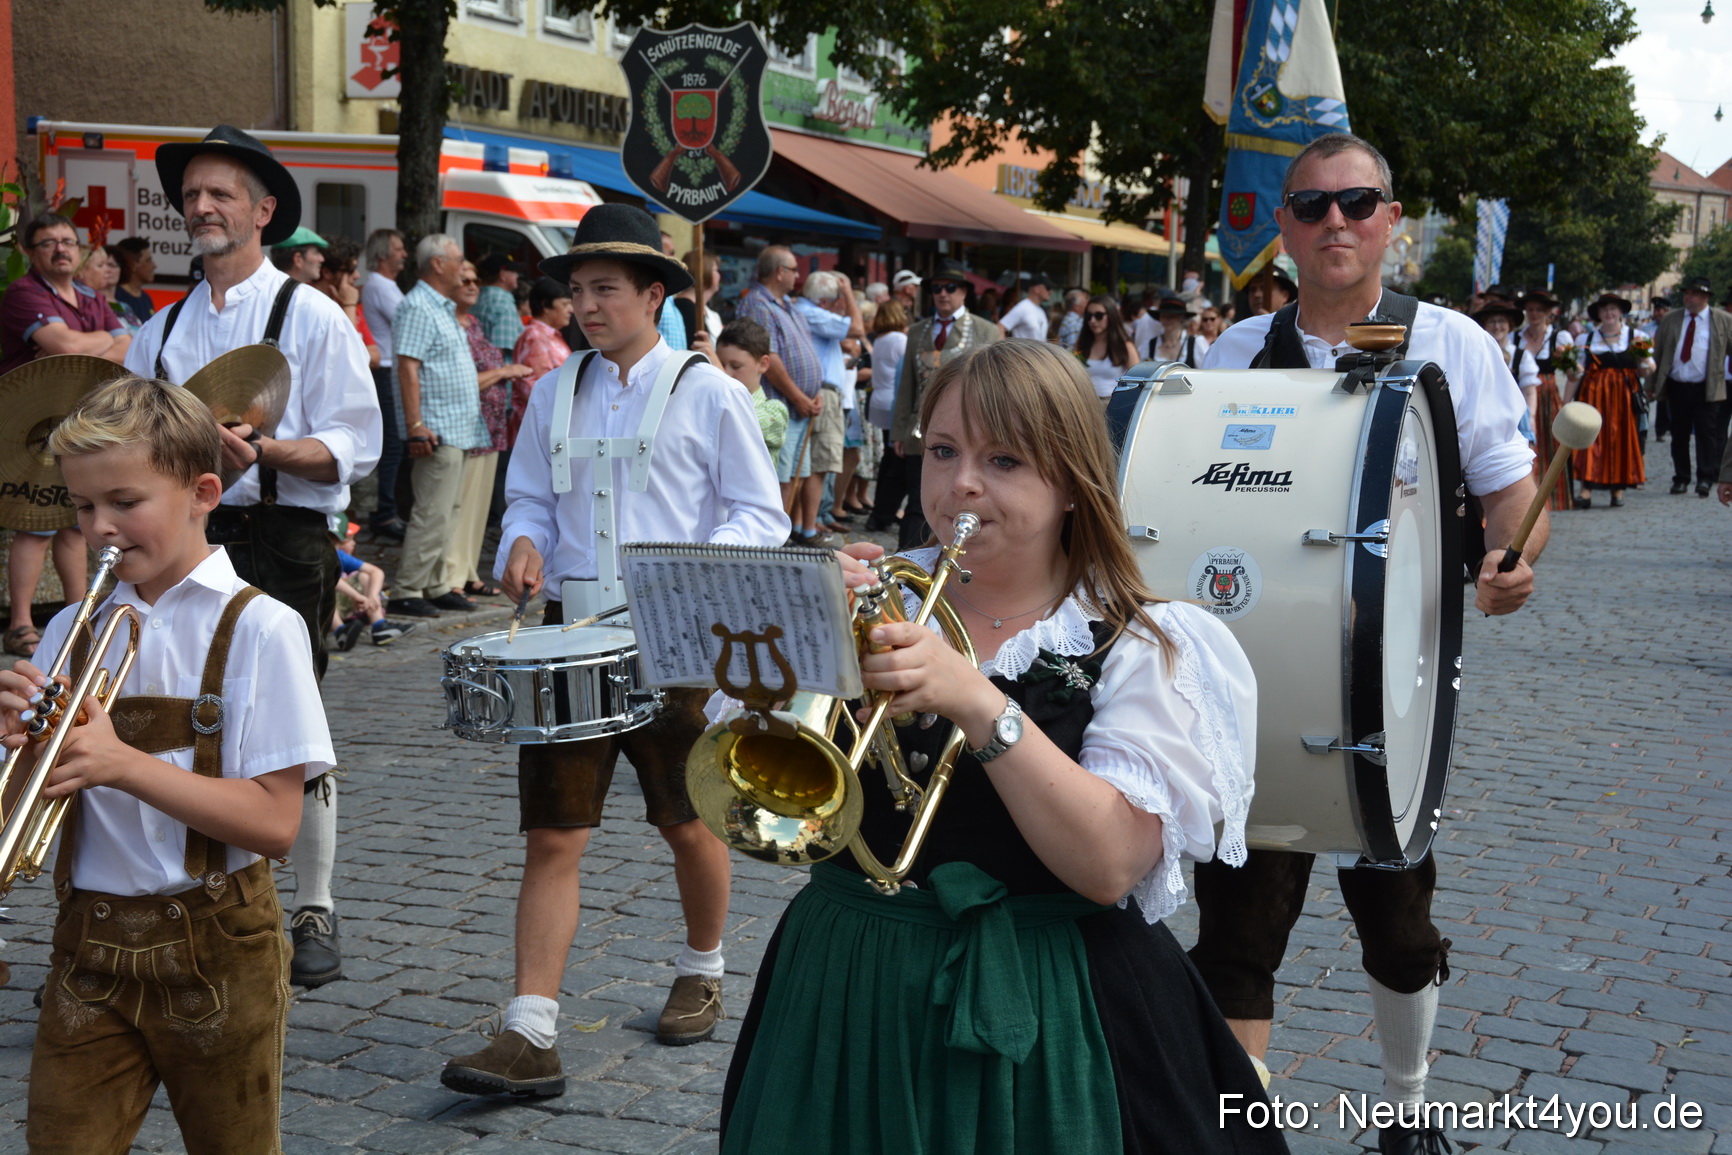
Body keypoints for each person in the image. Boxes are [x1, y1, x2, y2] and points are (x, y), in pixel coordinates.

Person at [720, 338, 1285, 1155]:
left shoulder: (1145, 642)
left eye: (1005, 460)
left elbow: (1109, 863)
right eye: (943, 451)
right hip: (844, 983)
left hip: (1059, 1006)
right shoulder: (877, 594)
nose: (961, 486)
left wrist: (977, 700)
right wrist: (798, 638)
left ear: (1070, 483)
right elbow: (752, 799)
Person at [1200, 132, 1541, 1155]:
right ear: (1282, 232)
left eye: (1356, 203)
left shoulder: (1450, 342)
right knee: (1235, 933)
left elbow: (1511, 492)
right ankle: (1241, 1136)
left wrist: (1511, 563)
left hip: (1389, 683)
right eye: (1310, 207)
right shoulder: (1230, 352)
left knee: (1397, 928)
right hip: (1252, 677)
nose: (1334, 223)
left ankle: (1407, 1107)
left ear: (1392, 218)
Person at [438, 203, 786, 1098]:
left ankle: (702, 966)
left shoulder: (708, 390)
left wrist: (689, 574)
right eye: (578, 290)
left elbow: (762, 516)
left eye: (605, 289)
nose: (586, 305)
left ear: (653, 294)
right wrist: (520, 544)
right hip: (568, 637)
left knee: (685, 817)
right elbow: (529, 502)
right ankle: (530, 1030)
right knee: (554, 833)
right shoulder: (555, 390)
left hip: (674, 640)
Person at [5, 375, 332, 1153]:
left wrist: (121, 763)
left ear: (202, 490)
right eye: (84, 509)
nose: (102, 529)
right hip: (88, 941)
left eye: (125, 501)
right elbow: (30, 800)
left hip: (217, 941)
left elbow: (276, 823)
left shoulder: (262, 628)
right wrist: (20, 743)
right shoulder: (67, 633)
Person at [124, 124, 381, 992]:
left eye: (219, 193)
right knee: (184, 713)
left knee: (289, 719)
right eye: (191, 195)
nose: (199, 207)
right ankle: (199, 890)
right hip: (182, 545)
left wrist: (266, 453)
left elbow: (359, 440)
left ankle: (313, 902)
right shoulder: (157, 332)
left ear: (263, 211)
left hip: (282, 533)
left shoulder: (312, 314)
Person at [0, 211, 132, 660]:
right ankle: (20, 624)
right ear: (30, 252)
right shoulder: (22, 293)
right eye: (48, 242)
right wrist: (93, 341)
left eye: (67, 241)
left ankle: (80, 615)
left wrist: (79, 340)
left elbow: (126, 344)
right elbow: (71, 349)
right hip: (27, 424)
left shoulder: (90, 296)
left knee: (76, 525)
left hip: (77, 420)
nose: (60, 248)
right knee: (34, 525)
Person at [384, 234, 490, 617]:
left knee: (448, 510)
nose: (464, 267)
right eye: (458, 260)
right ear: (437, 264)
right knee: (432, 511)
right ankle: (407, 588)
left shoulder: (440, 307)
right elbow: (407, 367)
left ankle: (434, 584)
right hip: (436, 428)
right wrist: (415, 424)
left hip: (455, 428)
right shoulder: (418, 306)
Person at [890, 258, 1002, 551]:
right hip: (919, 428)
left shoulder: (986, 330)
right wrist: (898, 430)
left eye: (950, 287)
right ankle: (909, 562)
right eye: (937, 288)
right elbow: (907, 385)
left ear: (964, 292)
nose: (943, 294)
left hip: (970, 428)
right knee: (918, 499)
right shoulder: (917, 331)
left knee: (960, 498)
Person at [449, 257, 535, 598]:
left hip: (491, 423)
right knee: (463, 500)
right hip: (471, 420)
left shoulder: (471, 322)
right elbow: (466, 378)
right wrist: (505, 372)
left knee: (480, 503)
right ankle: (453, 577)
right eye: (465, 280)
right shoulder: (457, 323)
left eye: (474, 280)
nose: (474, 287)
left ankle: (468, 571)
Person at [735, 245, 828, 544]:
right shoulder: (758, 305)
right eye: (794, 270)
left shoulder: (786, 304)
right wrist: (800, 397)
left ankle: (787, 534)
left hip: (801, 403)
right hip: (783, 404)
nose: (798, 276)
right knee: (781, 476)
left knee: (796, 474)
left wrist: (815, 392)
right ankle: (776, 540)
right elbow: (768, 358)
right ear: (779, 272)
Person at [794, 270, 864, 534]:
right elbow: (857, 327)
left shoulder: (806, 310)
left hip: (823, 390)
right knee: (818, 465)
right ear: (824, 301)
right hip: (824, 392)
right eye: (836, 299)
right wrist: (847, 291)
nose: (841, 304)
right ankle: (807, 528)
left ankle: (804, 524)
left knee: (811, 465)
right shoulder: (812, 312)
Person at [1650, 276, 1732, 497]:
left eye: (1694, 294)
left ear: (1705, 297)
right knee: (1679, 434)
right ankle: (1681, 477)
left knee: (1707, 434)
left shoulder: (1722, 320)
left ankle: (1705, 478)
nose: (1689, 298)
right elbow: (1657, 354)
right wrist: (1651, 384)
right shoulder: (1671, 319)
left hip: (1708, 386)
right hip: (1677, 385)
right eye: (1687, 293)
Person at [1569, 293, 1651, 508]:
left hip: (1623, 399)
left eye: (1613, 309)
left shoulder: (1636, 337)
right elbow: (1576, 373)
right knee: (1590, 439)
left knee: (1620, 439)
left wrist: (1646, 365)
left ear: (1621, 312)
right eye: (1604, 309)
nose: (1609, 313)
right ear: (1598, 314)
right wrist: (1565, 401)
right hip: (1592, 397)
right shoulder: (1585, 340)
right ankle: (1585, 489)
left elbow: (1648, 368)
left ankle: (1618, 489)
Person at [361, 227, 410, 540]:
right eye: (398, 248)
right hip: (386, 369)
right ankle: (386, 511)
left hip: (390, 367)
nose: (404, 253)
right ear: (382, 255)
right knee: (392, 443)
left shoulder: (384, 285)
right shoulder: (380, 286)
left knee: (395, 442)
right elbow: (407, 320)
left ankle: (390, 508)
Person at [331, 521, 416, 649]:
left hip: (349, 605)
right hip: (325, 609)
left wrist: (372, 596)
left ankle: (379, 626)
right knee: (322, 589)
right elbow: (330, 580)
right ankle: (340, 631)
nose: (354, 543)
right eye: (349, 540)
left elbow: (376, 572)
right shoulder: (321, 556)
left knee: (365, 576)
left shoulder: (340, 556)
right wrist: (355, 596)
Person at [866, 299, 911, 533]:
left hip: (878, 399)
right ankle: (884, 509)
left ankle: (881, 507)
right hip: (893, 399)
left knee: (888, 455)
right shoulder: (899, 340)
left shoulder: (881, 339)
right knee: (895, 457)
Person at [512, 277, 574, 448]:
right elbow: (537, 387)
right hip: (542, 430)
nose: (571, 310)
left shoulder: (548, 335)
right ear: (545, 305)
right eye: (565, 304)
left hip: (551, 426)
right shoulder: (535, 337)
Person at [716, 317, 786, 457]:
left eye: (736, 366)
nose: (726, 373)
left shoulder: (774, 410)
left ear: (763, 364)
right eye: (721, 364)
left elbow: (737, 426)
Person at [313, 236, 382, 369]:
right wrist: (349, 305)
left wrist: (349, 305)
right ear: (326, 273)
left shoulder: (347, 300)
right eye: (349, 270)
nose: (357, 275)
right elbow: (350, 356)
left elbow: (375, 358)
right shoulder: (310, 305)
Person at [1074, 294, 1141, 403]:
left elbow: (1137, 381)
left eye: (1099, 315)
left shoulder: (1125, 346)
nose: (1093, 320)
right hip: (1085, 403)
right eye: (1088, 316)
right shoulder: (1081, 343)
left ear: (1111, 316)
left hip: (1114, 404)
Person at [474, 252, 527, 358]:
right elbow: (499, 352)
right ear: (503, 274)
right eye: (514, 271)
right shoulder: (503, 302)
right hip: (500, 371)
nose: (517, 275)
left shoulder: (475, 298)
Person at [673, 249, 724, 348]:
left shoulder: (707, 311)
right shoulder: (685, 308)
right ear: (704, 272)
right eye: (716, 270)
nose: (719, 275)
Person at [1149, 295, 1209, 366]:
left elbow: (1206, 372)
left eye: (1172, 316)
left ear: (1181, 318)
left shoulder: (1195, 343)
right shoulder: (1151, 344)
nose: (1167, 319)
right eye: (1163, 316)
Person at [113, 236, 157, 323]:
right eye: (148, 260)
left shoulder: (146, 299)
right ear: (132, 264)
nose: (154, 266)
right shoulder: (115, 296)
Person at [1000, 273, 1054, 341]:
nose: (1050, 292)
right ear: (1036, 289)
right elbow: (1000, 327)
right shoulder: (1023, 307)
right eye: (1048, 288)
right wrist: (1006, 349)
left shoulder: (1041, 310)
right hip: (1023, 351)